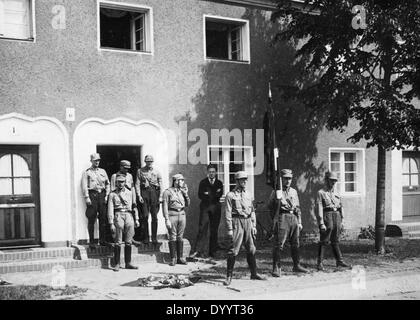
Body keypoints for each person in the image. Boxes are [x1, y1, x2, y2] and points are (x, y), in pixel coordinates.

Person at [223, 171, 265, 286]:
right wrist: (230, 229)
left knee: (251, 248)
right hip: (237, 222)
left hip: (248, 222)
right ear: (236, 181)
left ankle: (254, 273)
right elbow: (227, 213)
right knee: (233, 250)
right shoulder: (230, 195)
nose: (245, 181)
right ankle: (229, 276)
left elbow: (252, 211)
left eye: (246, 179)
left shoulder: (248, 194)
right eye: (242, 180)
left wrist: (254, 225)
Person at [268, 169, 308, 277]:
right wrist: (275, 219)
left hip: (293, 217)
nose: (288, 181)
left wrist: (299, 221)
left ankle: (296, 265)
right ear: (281, 179)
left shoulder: (294, 192)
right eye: (285, 178)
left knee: (295, 243)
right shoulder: (276, 191)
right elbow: (270, 206)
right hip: (283, 217)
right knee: (279, 244)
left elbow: (298, 207)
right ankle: (276, 267)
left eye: (289, 178)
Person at [315, 171, 351, 270]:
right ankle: (320, 263)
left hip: (337, 216)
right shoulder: (321, 193)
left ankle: (339, 261)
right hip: (327, 215)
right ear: (326, 180)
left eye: (335, 181)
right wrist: (321, 222)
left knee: (335, 240)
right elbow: (319, 207)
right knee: (324, 240)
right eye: (331, 180)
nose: (333, 183)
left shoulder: (337, 193)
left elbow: (341, 206)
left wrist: (342, 220)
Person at [107, 174, 140, 272]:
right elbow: (110, 209)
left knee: (128, 241)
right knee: (118, 241)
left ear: (125, 182)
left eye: (122, 182)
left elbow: (134, 206)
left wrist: (137, 218)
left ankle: (128, 263)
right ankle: (117, 263)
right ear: (116, 183)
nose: (120, 184)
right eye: (118, 182)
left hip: (129, 215)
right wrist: (111, 223)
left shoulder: (130, 193)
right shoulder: (112, 194)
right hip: (118, 215)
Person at [191, 164, 224, 258]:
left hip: (216, 208)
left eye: (213, 172)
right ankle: (198, 250)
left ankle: (213, 251)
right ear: (207, 173)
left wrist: (209, 194)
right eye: (210, 172)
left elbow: (220, 194)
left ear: (216, 172)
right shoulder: (203, 183)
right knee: (202, 228)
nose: (212, 174)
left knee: (214, 229)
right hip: (205, 208)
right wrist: (213, 194)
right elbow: (200, 195)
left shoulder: (219, 183)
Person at [81, 153, 110, 247]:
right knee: (91, 219)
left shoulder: (103, 171)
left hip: (102, 196)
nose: (97, 162)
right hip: (92, 195)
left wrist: (106, 195)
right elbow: (84, 185)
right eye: (95, 160)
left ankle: (102, 240)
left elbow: (107, 184)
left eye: (98, 160)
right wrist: (87, 197)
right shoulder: (87, 172)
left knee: (103, 219)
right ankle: (92, 241)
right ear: (91, 161)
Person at [162, 174, 190, 266]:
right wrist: (166, 219)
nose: (182, 182)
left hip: (181, 214)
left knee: (180, 236)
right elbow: (165, 206)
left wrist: (186, 194)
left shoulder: (182, 191)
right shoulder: (167, 192)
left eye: (182, 180)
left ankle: (180, 258)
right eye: (181, 180)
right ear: (175, 181)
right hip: (172, 215)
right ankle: (173, 258)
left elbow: (187, 204)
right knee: (172, 236)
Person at [135, 155, 162, 244]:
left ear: (152, 162)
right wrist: (139, 195)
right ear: (145, 161)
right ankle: (146, 238)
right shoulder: (140, 171)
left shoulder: (157, 172)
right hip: (144, 193)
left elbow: (161, 184)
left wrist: (160, 196)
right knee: (145, 216)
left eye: (151, 161)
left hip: (154, 193)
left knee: (154, 216)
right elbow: (137, 184)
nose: (149, 163)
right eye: (147, 161)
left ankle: (154, 238)